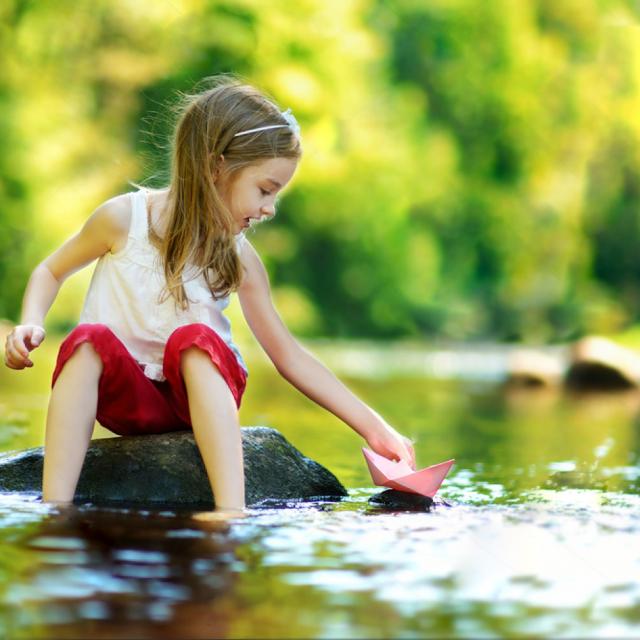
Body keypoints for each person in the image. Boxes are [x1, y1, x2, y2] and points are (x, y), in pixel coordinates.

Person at [3, 75, 416, 514]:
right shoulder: (123, 220)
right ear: (215, 167)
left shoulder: (239, 257)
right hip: (127, 399)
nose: (269, 209)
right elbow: (51, 269)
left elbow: (289, 355)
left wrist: (375, 428)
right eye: (265, 190)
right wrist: (31, 321)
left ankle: (228, 512)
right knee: (86, 341)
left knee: (194, 340)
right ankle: (56, 509)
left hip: (196, 397)